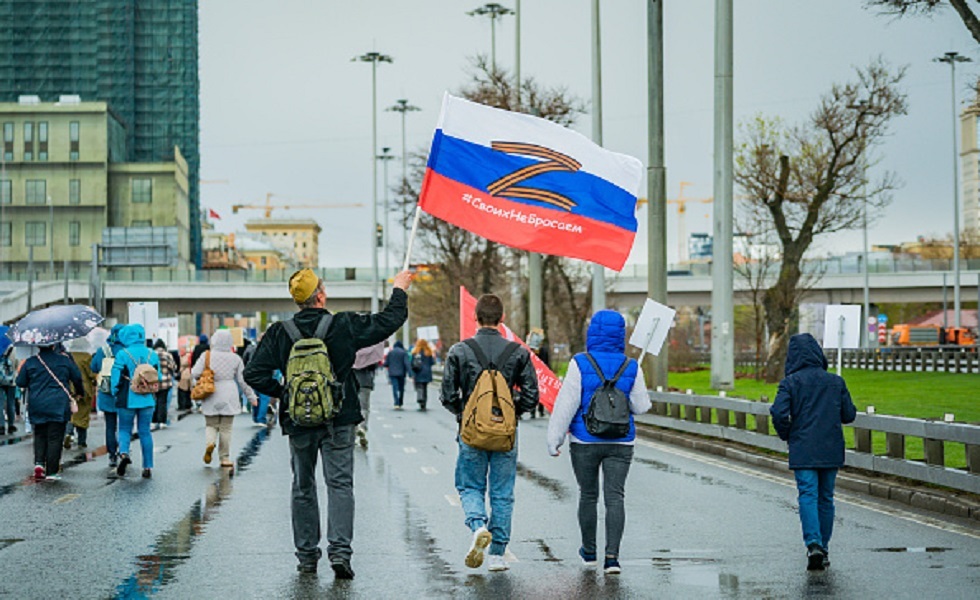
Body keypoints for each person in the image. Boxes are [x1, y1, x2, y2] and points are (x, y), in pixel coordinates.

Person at [244, 268, 413, 579]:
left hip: (298, 422)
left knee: (302, 486)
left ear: (298, 301)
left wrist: (285, 393)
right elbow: (389, 322)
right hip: (339, 418)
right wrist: (399, 289)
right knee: (339, 484)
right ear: (320, 295)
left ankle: (307, 557)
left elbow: (251, 374)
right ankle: (340, 553)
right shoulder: (343, 324)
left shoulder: (281, 333)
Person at [546, 310, 651, 575]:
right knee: (615, 497)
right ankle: (612, 559)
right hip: (621, 441)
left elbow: (566, 405)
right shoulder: (632, 365)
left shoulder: (579, 363)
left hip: (584, 440)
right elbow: (641, 406)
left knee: (588, 495)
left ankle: (589, 553)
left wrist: (554, 439)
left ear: (591, 332)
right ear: (621, 334)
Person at [440, 293, 539, 572]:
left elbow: (447, 394)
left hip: (471, 432)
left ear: (475, 317)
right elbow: (532, 395)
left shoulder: (460, 351)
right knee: (502, 492)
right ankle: (497, 555)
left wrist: (465, 414)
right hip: (506, 434)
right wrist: (511, 413)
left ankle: (478, 525)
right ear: (502, 318)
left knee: (470, 485)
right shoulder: (519, 352)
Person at [770, 333, 857, 571]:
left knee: (807, 494)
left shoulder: (790, 383)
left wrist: (787, 433)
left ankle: (813, 544)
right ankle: (824, 549)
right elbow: (849, 415)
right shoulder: (836, 382)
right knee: (826, 498)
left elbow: (778, 413)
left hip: (803, 447)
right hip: (830, 447)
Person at [16, 343, 83, 480]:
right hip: (58, 404)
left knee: (39, 434)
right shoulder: (64, 360)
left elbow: (20, 382)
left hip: (37, 403)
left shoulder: (31, 362)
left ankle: (39, 463)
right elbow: (77, 378)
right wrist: (79, 393)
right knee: (55, 437)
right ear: (54, 345)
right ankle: (52, 472)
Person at [193, 329, 257, 468]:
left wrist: (206, 373)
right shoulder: (235, 358)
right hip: (229, 392)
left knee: (211, 425)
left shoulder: (206, 355)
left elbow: (194, 372)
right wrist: (251, 397)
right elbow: (242, 380)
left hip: (211, 392)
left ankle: (210, 443)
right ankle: (225, 458)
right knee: (226, 428)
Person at [111, 323, 161, 479]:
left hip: (127, 397)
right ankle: (147, 466)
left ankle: (124, 453)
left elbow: (115, 378)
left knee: (125, 428)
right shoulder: (152, 354)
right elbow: (157, 377)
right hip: (147, 398)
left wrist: (115, 393)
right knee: (145, 431)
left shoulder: (122, 354)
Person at [91, 324, 125, 469]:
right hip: (123, 392)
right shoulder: (126, 350)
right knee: (124, 425)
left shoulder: (102, 350)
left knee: (110, 426)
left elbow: (94, 367)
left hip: (106, 392)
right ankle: (123, 451)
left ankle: (112, 455)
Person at [64, 337, 98, 449]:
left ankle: (68, 432)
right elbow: (91, 374)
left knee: (71, 413)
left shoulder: (67, 357)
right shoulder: (86, 357)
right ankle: (81, 441)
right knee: (83, 414)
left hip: (69, 388)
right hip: (84, 389)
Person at [352, 341, 383, 448]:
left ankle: (355, 430)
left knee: (353, 407)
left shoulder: (352, 351)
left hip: (352, 381)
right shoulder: (370, 354)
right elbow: (374, 367)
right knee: (364, 407)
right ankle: (363, 427)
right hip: (365, 382)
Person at [152, 339, 177, 430]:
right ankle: (162, 421)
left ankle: (153, 421)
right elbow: (174, 367)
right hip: (165, 381)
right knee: (162, 402)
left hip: (153, 382)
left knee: (154, 402)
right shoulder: (167, 355)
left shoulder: (151, 354)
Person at [409, 339, 435, 411]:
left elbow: (412, 363)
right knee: (425, 387)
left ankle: (420, 398)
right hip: (427, 372)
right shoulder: (429, 352)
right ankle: (424, 403)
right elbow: (432, 362)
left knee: (419, 386)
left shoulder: (415, 352)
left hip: (418, 372)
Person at [383, 340, 411, 409]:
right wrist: (410, 373)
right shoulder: (404, 353)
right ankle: (401, 401)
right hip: (401, 373)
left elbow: (386, 363)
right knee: (401, 388)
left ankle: (396, 402)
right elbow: (406, 363)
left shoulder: (390, 353)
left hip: (392, 373)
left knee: (394, 388)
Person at [0, 345, 19, 435]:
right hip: (12, 381)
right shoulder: (14, 349)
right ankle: (11, 425)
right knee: (10, 402)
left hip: (0, 379)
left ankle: (1, 426)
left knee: (0, 403)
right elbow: (17, 364)